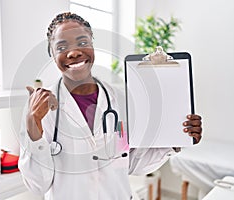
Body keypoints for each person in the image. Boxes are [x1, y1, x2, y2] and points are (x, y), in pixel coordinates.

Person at [18, 12, 202, 200]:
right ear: (52, 55)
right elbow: (37, 185)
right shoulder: (39, 109)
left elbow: (132, 164)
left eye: (82, 43)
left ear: (92, 46)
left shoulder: (121, 100)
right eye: (62, 46)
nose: (73, 52)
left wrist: (176, 139)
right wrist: (34, 126)